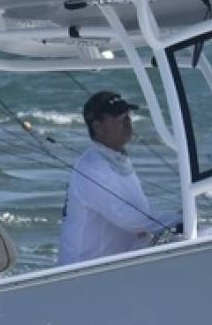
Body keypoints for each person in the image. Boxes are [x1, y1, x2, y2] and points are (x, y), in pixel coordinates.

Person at [57, 90, 167, 265]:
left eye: (127, 114)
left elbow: (140, 217)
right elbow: (129, 219)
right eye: (118, 116)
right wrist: (178, 219)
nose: (127, 120)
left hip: (115, 268)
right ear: (97, 126)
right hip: (82, 276)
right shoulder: (91, 168)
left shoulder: (117, 158)